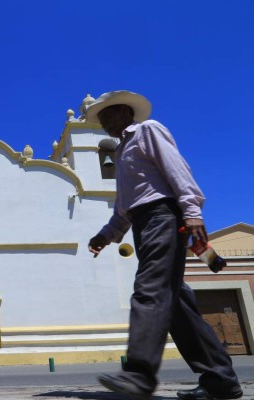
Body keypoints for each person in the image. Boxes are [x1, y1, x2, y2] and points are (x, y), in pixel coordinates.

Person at [85, 91, 242, 400]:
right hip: (143, 222)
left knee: (150, 288)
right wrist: (106, 234)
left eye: (107, 115)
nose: (103, 122)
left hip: (163, 215)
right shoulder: (119, 152)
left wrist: (192, 211)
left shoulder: (148, 130)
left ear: (125, 112)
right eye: (100, 118)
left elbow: (177, 169)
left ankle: (139, 374)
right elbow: (125, 205)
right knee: (177, 306)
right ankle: (221, 380)